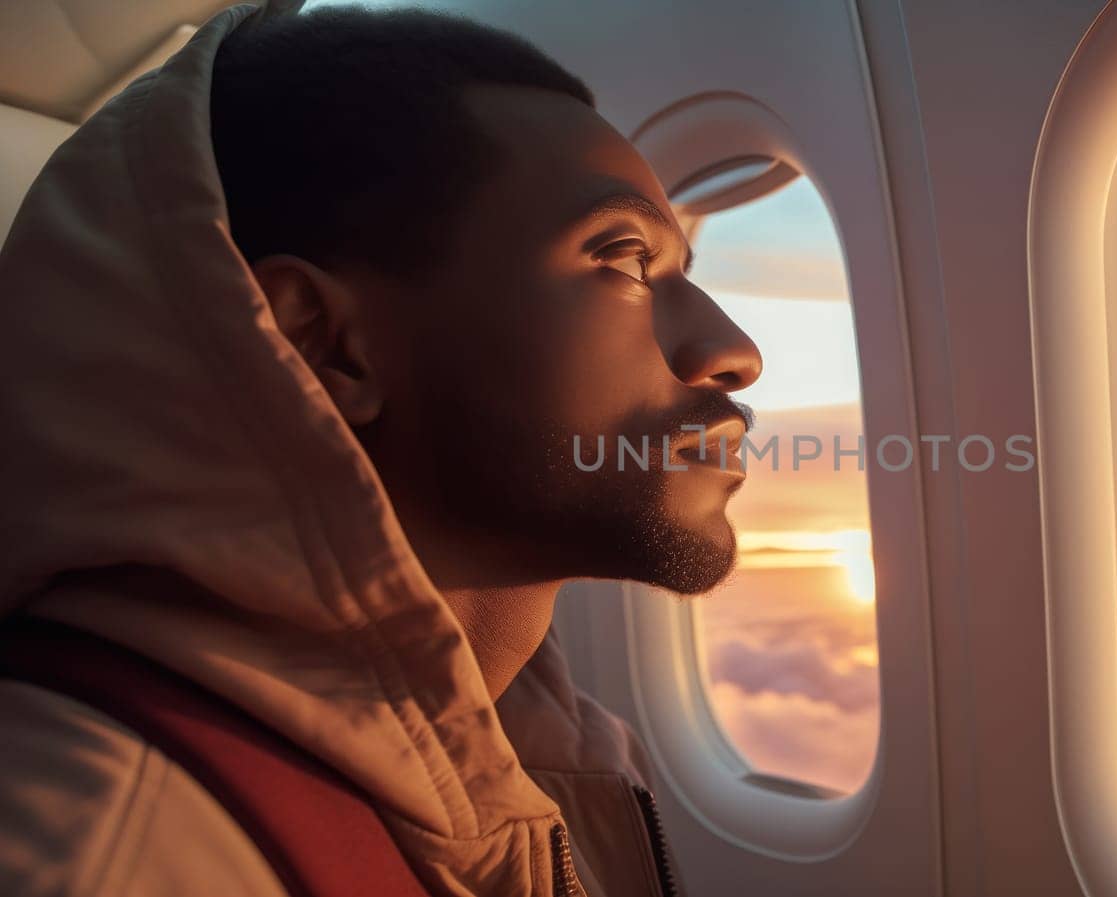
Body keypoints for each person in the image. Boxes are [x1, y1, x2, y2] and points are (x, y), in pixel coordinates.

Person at [0, 2, 760, 895]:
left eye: (686, 271)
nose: (733, 351)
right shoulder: (106, 847)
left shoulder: (553, 752)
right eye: (625, 257)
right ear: (325, 340)